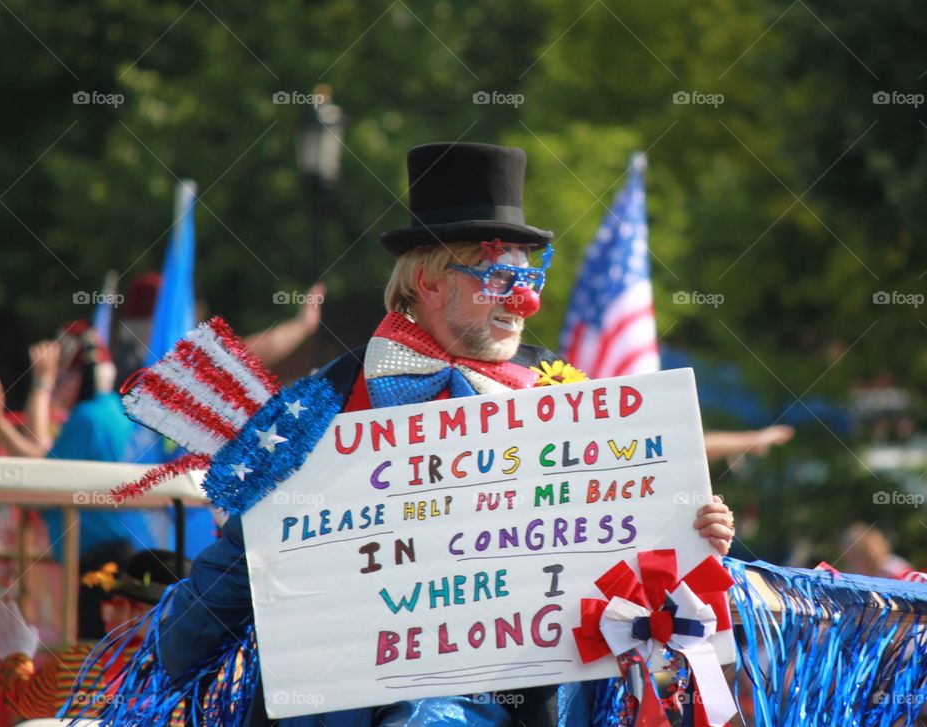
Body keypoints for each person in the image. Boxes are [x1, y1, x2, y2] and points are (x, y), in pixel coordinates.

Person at [85, 142, 736, 726]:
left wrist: (694, 532)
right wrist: (138, 682)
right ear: (427, 279)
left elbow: (632, 558)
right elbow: (241, 561)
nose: (523, 300)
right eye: (497, 276)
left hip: (518, 703)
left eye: (529, 276)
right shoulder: (326, 402)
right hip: (351, 700)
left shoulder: (563, 395)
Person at [0, 549, 189, 721]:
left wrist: (15, 653)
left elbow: (21, 696)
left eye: (115, 607)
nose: (107, 623)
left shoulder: (78, 667)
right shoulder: (212, 680)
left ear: (135, 615)